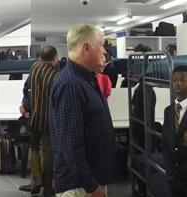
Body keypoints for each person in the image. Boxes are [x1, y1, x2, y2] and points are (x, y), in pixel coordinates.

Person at [49, 24, 123, 197]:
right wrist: (91, 186)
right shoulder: (70, 85)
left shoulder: (86, 79)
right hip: (80, 186)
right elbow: (71, 145)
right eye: (101, 46)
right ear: (86, 48)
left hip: (90, 181)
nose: (105, 51)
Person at [18, 45, 60, 196]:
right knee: (48, 152)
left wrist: (25, 106)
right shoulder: (56, 76)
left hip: (34, 117)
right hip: (49, 120)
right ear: (55, 58)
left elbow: (26, 90)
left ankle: (36, 179)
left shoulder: (34, 70)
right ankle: (48, 187)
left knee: (34, 147)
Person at [161, 66, 187, 197]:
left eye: (183, 80)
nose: (178, 83)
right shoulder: (169, 111)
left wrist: (182, 173)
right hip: (173, 174)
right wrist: (170, 170)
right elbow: (164, 143)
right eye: (175, 80)